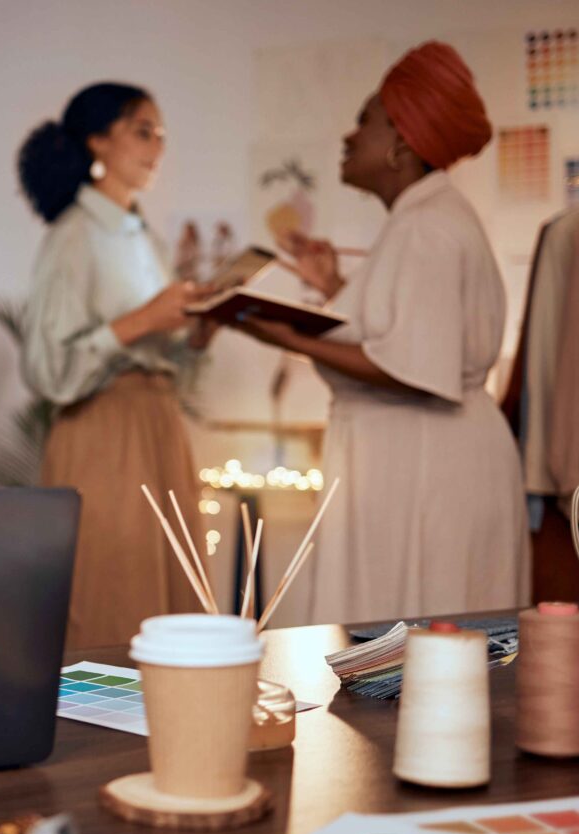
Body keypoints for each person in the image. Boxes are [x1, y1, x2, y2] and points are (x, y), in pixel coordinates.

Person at [227, 42, 529, 622]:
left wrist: (284, 337)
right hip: (418, 457)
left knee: (421, 644)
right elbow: (400, 335)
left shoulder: (426, 229)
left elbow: (414, 372)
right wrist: (332, 284)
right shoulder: (419, 223)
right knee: (415, 645)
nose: (348, 137)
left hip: (426, 464)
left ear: (401, 143)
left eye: (363, 121)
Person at [16, 82, 219, 649]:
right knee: (112, 598)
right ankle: (109, 738)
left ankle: (173, 730)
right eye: (142, 130)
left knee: (170, 601)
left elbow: (158, 349)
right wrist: (144, 318)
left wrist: (200, 329)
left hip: (158, 428)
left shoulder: (141, 235)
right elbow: (49, 369)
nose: (157, 146)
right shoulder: (73, 235)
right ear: (98, 141)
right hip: (105, 432)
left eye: (162, 135)